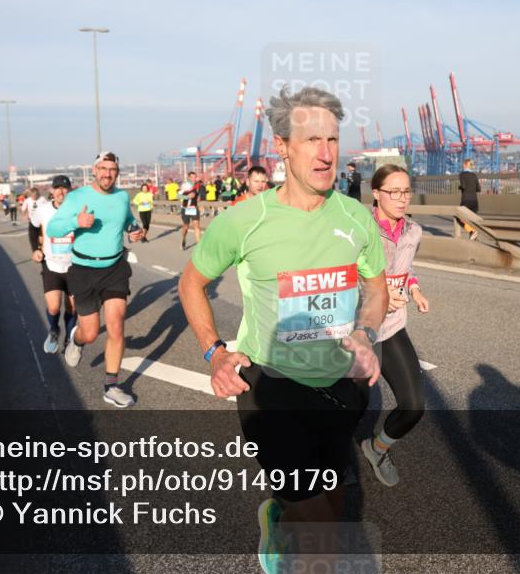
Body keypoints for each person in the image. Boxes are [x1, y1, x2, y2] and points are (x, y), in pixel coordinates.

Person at [178, 87, 387, 573]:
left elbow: (376, 289)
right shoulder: (244, 221)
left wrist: (367, 335)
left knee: (331, 510)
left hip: (340, 387)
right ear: (282, 147)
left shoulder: (356, 218)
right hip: (270, 388)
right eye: (312, 139)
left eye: (333, 139)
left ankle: (278, 516)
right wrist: (215, 352)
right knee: (321, 542)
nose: (326, 152)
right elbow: (192, 282)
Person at [47, 152, 144, 407]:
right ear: (94, 170)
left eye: (112, 169)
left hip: (114, 269)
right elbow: (53, 228)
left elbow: (128, 221)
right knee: (90, 333)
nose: (107, 174)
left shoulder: (122, 197)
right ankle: (76, 340)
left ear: (117, 172)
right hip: (83, 270)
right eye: (103, 168)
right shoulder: (77, 197)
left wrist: (135, 231)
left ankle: (112, 386)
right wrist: (75, 222)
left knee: (116, 324)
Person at [362, 164, 429, 487]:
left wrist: (413, 288)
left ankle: (377, 448)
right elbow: (341, 274)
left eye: (406, 192)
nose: (402, 199)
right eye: (394, 192)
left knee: (414, 406)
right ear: (376, 194)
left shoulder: (413, 231)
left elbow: (407, 266)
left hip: (391, 327)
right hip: (355, 330)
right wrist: (381, 293)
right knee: (343, 410)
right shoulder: (360, 229)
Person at [31, 175, 78, 354]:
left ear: (69, 191)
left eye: (64, 188)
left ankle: (69, 338)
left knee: (72, 306)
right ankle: (54, 330)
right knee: (53, 306)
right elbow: (33, 227)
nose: (61, 191)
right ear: (52, 191)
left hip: (74, 266)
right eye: (57, 188)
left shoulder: (77, 209)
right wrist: (35, 248)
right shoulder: (43, 210)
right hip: (50, 264)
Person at [458, 159, 481, 240]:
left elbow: (463, 186)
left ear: (465, 165)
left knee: (459, 218)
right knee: (472, 220)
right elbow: (478, 189)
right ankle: (474, 234)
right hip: (474, 201)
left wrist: (459, 187)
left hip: (466, 200)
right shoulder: (474, 175)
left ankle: (472, 231)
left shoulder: (462, 174)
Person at [178, 171, 202, 251]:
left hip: (194, 208)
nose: (194, 179)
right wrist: (187, 196)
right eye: (192, 177)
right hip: (185, 208)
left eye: (195, 177)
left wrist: (200, 204)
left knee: (196, 225)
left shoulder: (197, 186)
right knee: (186, 226)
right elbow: (178, 195)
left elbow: (198, 197)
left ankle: (199, 245)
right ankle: (183, 238)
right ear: (188, 177)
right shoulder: (185, 185)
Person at [25, 188, 42, 256]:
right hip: (32, 222)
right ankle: (35, 252)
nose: (34, 197)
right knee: (33, 237)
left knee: (41, 239)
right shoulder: (28, 200)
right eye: (32, 196)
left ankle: (41, 249)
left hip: (41, 222)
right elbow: (23, 208)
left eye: (35, 196)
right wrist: (25, 214)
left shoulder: (42, 199)